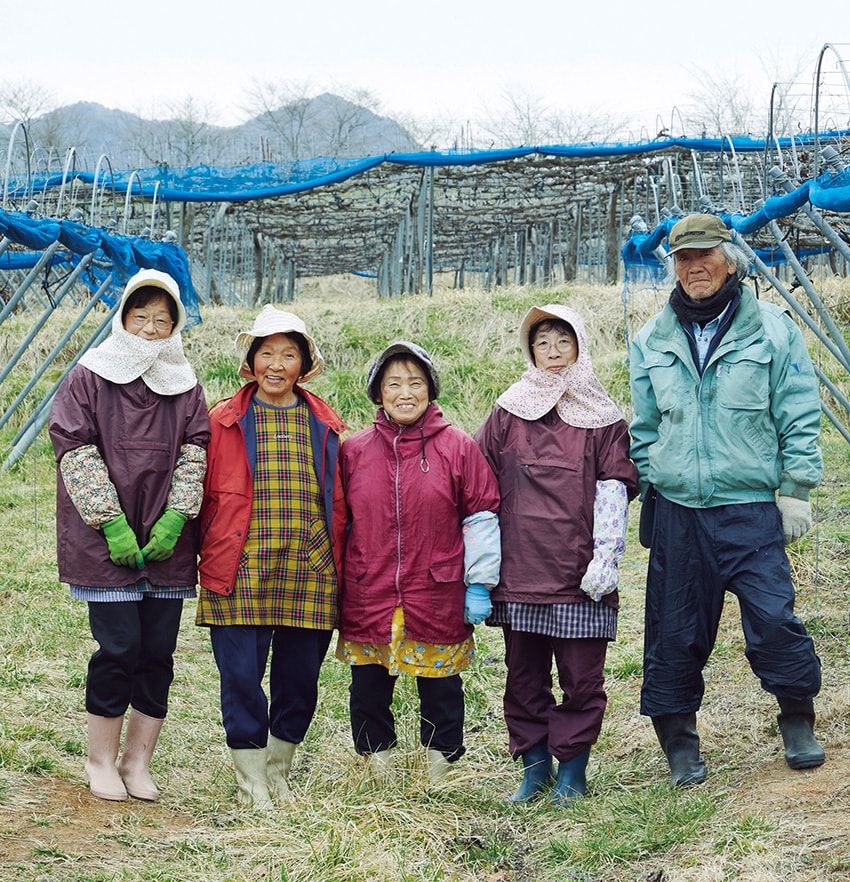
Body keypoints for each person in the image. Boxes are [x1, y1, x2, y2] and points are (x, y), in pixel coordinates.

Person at [629, 213, 825, 787]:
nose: (695, 267)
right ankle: (679, 743)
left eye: (704, 255)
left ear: (729, 258)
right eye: (683, 258)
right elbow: (644, 429)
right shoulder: (652, 339)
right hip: (680, 512)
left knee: (773, 619)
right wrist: (652, 487)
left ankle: (797, 719)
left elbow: (798, 409)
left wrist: (795, 490)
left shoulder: (772, 329)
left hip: (750, 508)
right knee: (674, 630)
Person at [49, 269, 209, 803]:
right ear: (122, 318)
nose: (149, 328)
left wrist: (175, 518)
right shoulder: (89, 376)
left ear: (175, 327)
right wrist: (111, 522)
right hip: (107, 540)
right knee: (119, 646)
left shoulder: (184, 384)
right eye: (140, 317)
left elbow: (195, 453)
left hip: (166, 541)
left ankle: (138, 760)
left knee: (158, 650)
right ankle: (100, 760)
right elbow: (75, 447)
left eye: (162, 320)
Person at [476, 304, 638, 806]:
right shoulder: (509, 409)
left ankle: (573, 769)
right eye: (542, 342)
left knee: (581, 677)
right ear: (529, 350)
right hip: (521, 568)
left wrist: (605, 555)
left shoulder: (602, 415)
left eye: (562, 341)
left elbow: (615, 484)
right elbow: (479, 482)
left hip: (579, 571)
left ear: (580, 346)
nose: (552, 352)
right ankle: (534, 766)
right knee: (523, 676)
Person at [196, 305, 346, 809]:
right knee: (240, 677)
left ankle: (279, 769)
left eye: (288, 354)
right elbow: (196, 493)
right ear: (251, 361)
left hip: (310, 567)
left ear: (304, 364)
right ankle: (250, 781)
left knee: (299, 681)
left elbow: (342, 500)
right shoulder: (223, 420)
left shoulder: (324, 422)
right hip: (240, 566)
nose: (276, 364)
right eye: (266, 353)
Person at [335, 341, 500, 783]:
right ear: (377, 393)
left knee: (441, 685)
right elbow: (339, 523)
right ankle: (378, 766)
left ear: (430, 390)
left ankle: (440, 768)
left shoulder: (458, 447)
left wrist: (479, 583)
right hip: (370, 589)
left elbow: (481, 515)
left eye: (415, 383)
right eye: (393, 384)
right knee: (368, 686)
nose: (405, 393)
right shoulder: (354, 451)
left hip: (436, 588)